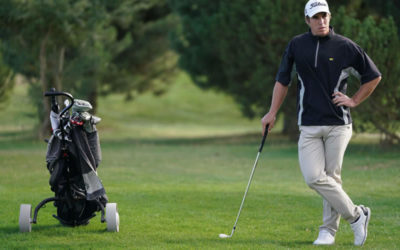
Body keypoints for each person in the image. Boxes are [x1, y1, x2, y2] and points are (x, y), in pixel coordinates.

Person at [261, 0, 381, 246]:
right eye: (316, 17)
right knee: (314, 177)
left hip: (339, 124)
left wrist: (355, 100)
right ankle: (357, 215)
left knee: (332, 177)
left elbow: (373, 76)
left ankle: (328, 231)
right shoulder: (296, 45)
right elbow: (282, 80)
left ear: (330, 16)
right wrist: (271, 113)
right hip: (308, 124)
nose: (321, 20)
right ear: (307, 20)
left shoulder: (346, 46)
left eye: (324, 16)